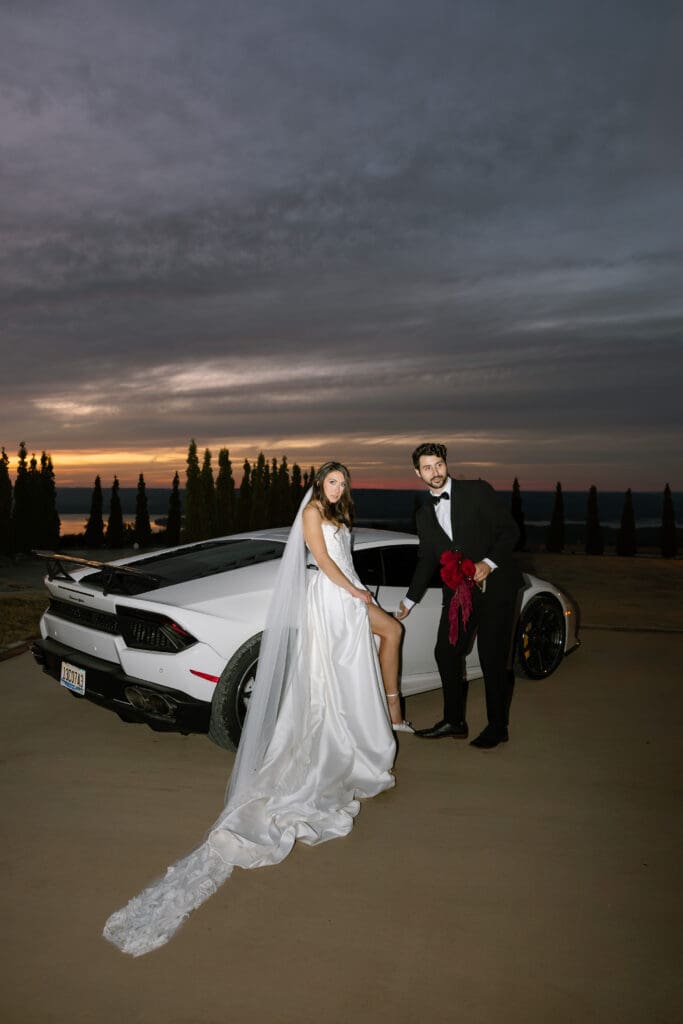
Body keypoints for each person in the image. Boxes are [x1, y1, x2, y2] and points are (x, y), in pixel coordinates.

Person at [103, 462, 408, 956]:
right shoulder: (312, 511)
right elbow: (323, 562)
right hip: (331, 600)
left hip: (347, 599)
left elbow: (345, 560)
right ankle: (349, 738)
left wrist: (359, 592)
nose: (338, 488)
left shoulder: (340, 513)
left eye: (342, 483)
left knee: (349, 674)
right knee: (331, 674)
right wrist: (353, 591)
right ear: (317, 486)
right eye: (332, 481)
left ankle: (366, 730)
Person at [396, 443, 523, 749]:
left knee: (492, 658)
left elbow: (510, 532)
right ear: (417, 473)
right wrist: (410, 600)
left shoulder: (477, 490)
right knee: (446, 651)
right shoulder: (424, 513)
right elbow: (427, 558)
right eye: (427, 467)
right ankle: (454, 720)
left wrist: (488, 563)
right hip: (458, 594)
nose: (434, 472)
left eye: (438, 464)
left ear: (445, 464)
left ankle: (497, 726)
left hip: (496, 589)